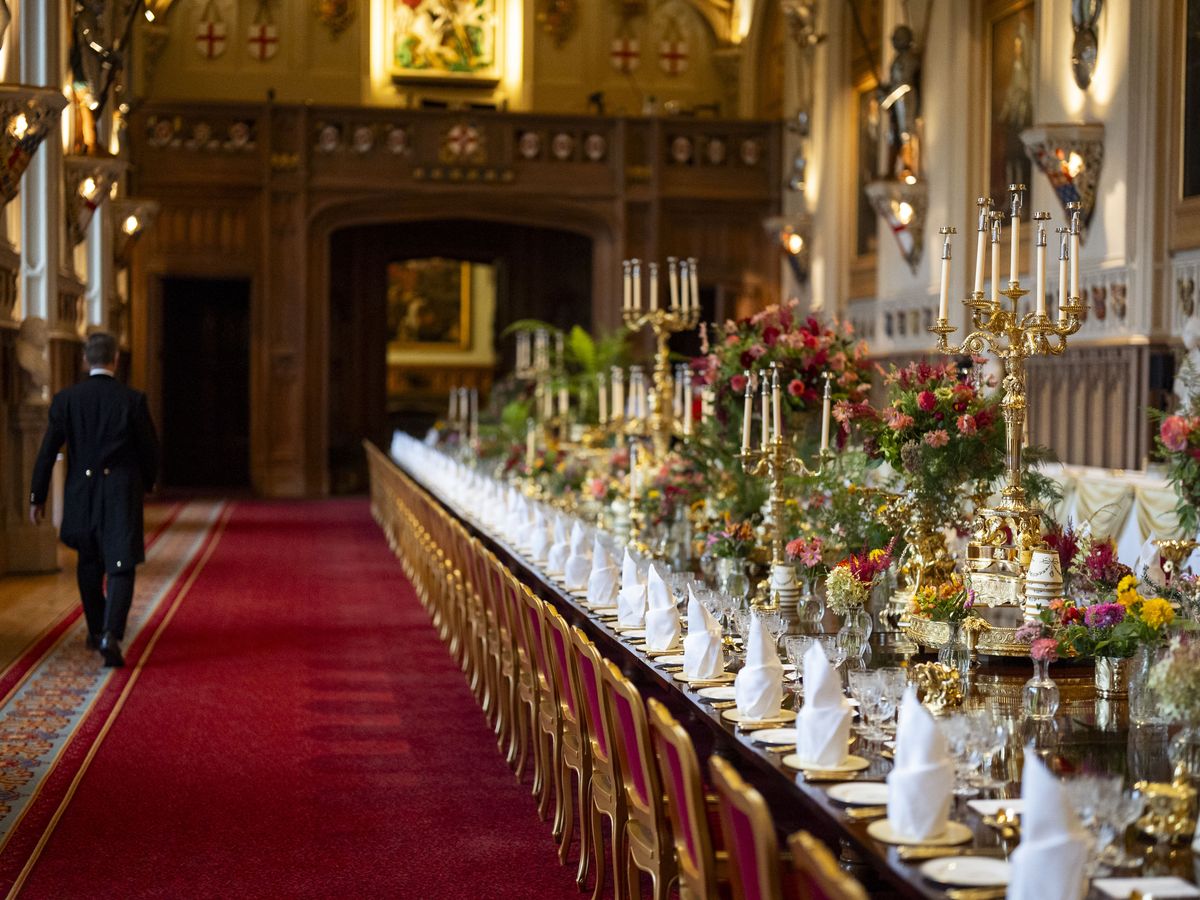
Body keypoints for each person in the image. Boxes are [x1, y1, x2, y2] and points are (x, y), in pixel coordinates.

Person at [28, 332, 159, 668]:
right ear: (116, 358)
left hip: (82, 492)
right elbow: (149, 449)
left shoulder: (66, 399)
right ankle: (110, 634)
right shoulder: (132, 400)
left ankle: (97, 628)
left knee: (89, 560)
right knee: (121, 563)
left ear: (85, 359)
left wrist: (36, 496)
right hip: (120, 490)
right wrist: (148, 482)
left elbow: (47, 453)